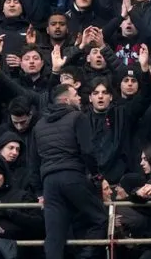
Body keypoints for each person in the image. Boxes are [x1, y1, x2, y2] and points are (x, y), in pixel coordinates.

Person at [27, 83, 107, 259]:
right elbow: (87, 151)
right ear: (65, 99)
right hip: (72, 176)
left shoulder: (38, 125)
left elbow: (32, 163)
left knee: (54, 236)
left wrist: (40, 192)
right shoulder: (78, 117)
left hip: (49, 183)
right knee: (100, 217)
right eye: (76, 94)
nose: (80, 98)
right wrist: (96, 174)